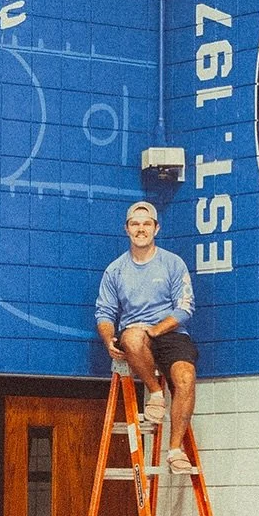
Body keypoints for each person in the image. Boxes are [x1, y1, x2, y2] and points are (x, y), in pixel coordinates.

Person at [95, 200, 199, 474]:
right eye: (135, 224)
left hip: (170, 333)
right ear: (127, 229)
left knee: (186, 377)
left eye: (146, 224)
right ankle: (155, 393)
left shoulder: (172, 263)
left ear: (156, 228)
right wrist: (108, 340)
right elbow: (104, 313)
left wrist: (156, 329)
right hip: (136, 336)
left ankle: (175, 451)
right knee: (129, 338)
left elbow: (185, 307)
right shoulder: (115, 270)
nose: (141, 229)